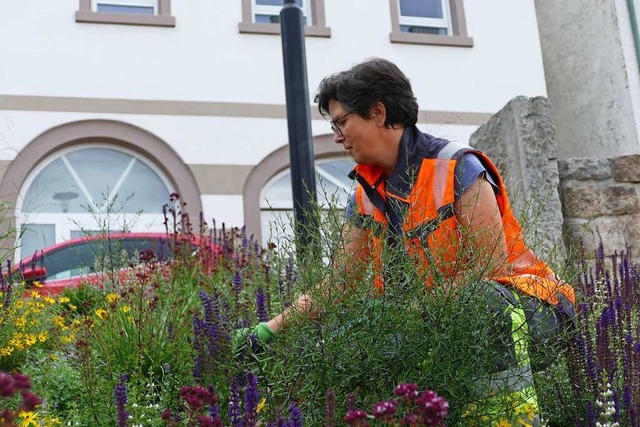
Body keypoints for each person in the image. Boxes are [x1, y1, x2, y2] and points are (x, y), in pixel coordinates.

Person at [238, 58, 575, 426]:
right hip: (442, 315)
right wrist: (270, 329)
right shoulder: (365, 195)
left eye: (341, 122)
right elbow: (339, 285)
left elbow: (489, 268)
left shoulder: (457, 166)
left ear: (378, 113)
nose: (337, 135)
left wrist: (410, 311)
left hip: (531, 310)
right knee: (339, 348)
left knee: (479, 305)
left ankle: (511, 421)